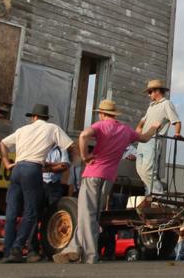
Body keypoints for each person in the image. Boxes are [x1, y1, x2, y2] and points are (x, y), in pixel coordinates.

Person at [54, 99, 152, 264]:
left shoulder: (100, 126)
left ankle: (90, 255)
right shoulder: (125, 130)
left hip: (93, 173)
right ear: (114, 114)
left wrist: (85, 156)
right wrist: (155, 127)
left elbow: (84, 135)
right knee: (92, 214)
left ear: (101, 113)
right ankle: (74, 248)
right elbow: (144, 137)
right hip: (109, 177)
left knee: (87, 214)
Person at [0, 103, 74, 263]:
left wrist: (6, 162)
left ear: (33, 117)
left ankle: (7, 250)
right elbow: (70, 146)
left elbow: (2, 143)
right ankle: (17, 248)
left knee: (11, 212)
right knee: (31, 213)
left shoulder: (22, 130)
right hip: (33, 169)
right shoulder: (52, 128)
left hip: (17, 168)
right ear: (46, 118)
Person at [129, 79, 181, 196]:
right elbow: (143, 120)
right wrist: (139, 128)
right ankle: (151, 194)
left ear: (157, 91)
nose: (149, 95)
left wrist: (177, 133)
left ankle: (157, 196)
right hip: (143, 141)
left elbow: (176, 121)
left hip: (153, 140)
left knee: (148, 171)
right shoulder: (151, 106)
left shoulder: (166, 104)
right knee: (140, 171)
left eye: (150, 92)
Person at [34, 144, 70, 259]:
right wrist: (55, 166)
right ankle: (33, 250)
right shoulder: (40, 146)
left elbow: (64, 166)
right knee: (34, 216)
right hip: (40, 183)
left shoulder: (61, 149)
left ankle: (51, 250)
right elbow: (36, 165)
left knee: (54, 218)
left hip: (54, 186)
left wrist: (46, 166)